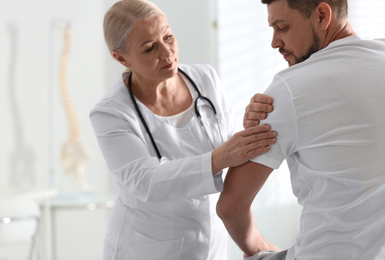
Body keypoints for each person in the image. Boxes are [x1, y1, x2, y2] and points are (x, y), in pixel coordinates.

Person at [89, 0, 277, 259]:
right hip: (148, 248)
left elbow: (234, 149)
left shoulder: (206, 80)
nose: (167, 53)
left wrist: (251, 126)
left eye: (168, 37)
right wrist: (218, 158)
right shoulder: (111, 114)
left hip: (210, 242)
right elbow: (146, 182)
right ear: (121, 58)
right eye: (149, 48)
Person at [216, 0, 385, 260]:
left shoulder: (288, 89)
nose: (274, 42)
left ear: (321, 15)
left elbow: (230, 207)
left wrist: (257, 250)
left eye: (282, 27)